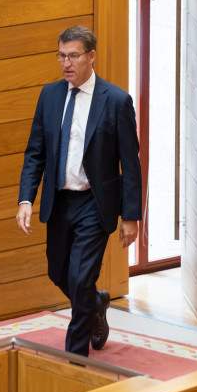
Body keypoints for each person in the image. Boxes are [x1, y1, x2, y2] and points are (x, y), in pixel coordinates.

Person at [16, 25, 142, 357]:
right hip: (59, 201)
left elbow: (130, 163)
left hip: (94, 203)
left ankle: (74, 365)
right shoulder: (50, 95)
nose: (66, 63)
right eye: (61, 56)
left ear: (91, 56)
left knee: (81, 278)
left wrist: (131, 216)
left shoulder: (116, 101)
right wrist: (26, 198)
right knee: (58, 272)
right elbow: (35, 152)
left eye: (73, 56)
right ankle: (95, 305)